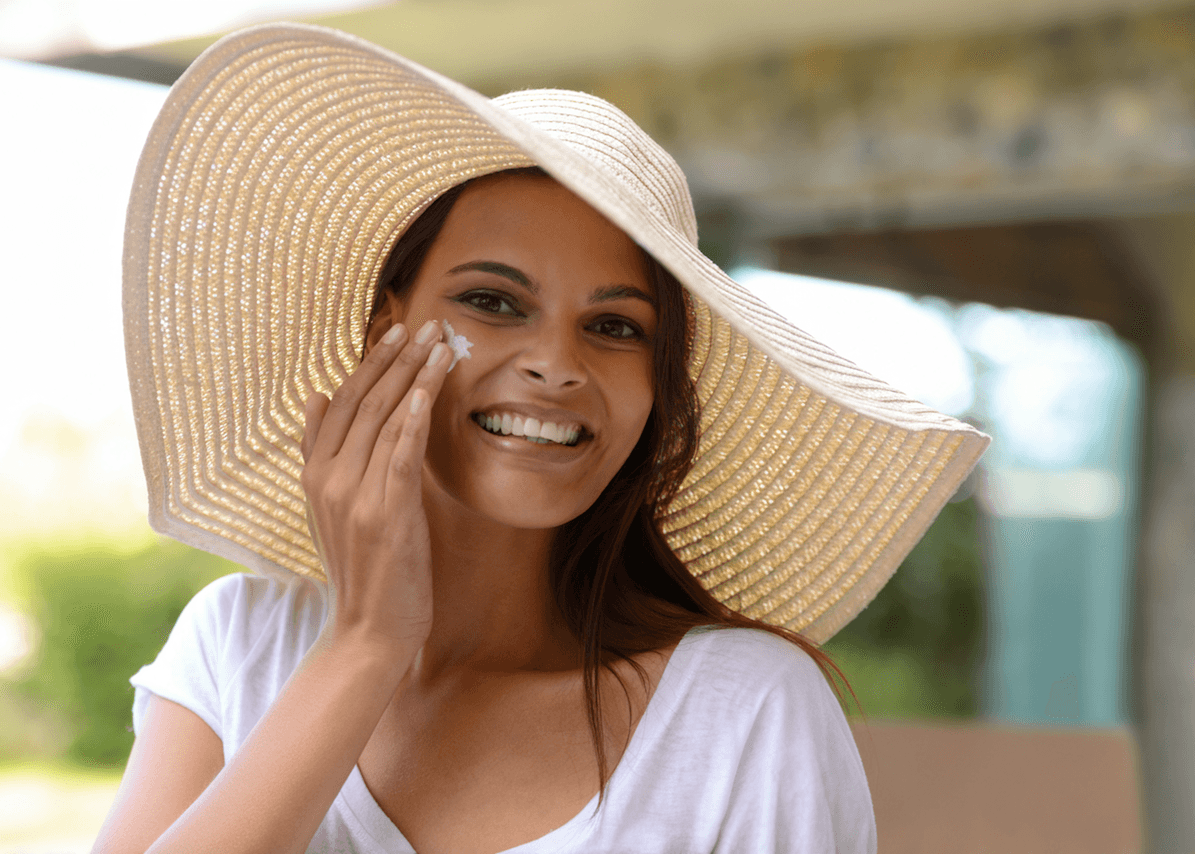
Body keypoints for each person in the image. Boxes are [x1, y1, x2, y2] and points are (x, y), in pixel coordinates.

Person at [97, 22, 988, 854]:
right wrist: (366, 645)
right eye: (492, 302)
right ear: (383, 334)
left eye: (616, 327)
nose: (557, 365)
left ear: (656, 397)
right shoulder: (238, 644)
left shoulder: (748, 709)